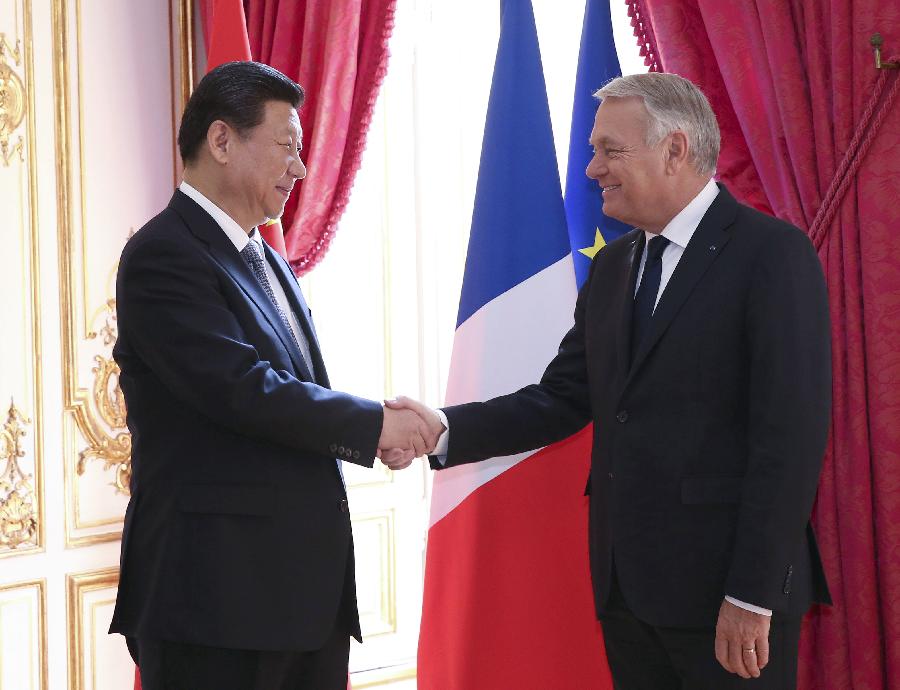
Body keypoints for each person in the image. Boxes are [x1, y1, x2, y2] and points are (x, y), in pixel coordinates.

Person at [386, 73, 831, 689]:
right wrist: (442, 430)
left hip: (726, 594)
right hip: (627, 589)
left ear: (674, 149)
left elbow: (790, 441)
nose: (592, 168)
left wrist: (752, 596)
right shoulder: (615, 265)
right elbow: (564, 397)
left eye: (609, 150)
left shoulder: (771, 254)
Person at [109, 61, 435, 690]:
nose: (301, 168)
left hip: (300, 601)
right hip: (216, 603)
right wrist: (374, 426)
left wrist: (376, 429)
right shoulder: (162, 256)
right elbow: (242, 388)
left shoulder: (267, 257)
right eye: (286, 145)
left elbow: (293, 388)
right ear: (223, 141)